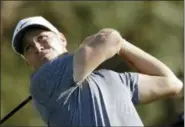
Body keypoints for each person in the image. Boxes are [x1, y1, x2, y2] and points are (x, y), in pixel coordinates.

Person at [12, 16, 183, 126]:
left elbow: (171, 82)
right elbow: (108, 39)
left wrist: (121, 44)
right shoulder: (42, 82)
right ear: (28, 63)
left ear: (62, 39)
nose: (37, 47)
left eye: (42, 38)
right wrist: (106, 42)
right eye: (28, 48)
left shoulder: (113, 78)